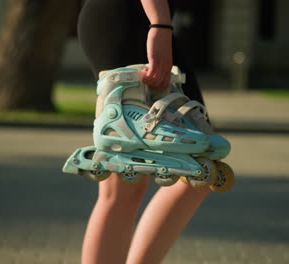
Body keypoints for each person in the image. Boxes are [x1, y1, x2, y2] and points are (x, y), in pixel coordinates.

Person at [77, 0, 211, 263]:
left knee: (198, 164)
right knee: (122, 186)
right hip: (131, 21)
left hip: (152, 23)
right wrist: (159, 23)